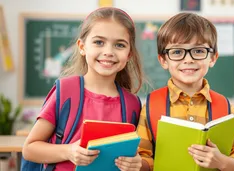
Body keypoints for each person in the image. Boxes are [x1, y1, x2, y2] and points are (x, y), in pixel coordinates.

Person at [22, 7, 144, 171]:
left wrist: (136, 163)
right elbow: (29, 149)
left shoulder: (132, 104)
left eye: (119, 45)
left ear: (129, 54)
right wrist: (68, 151)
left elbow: (137, 157)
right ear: (82, 46)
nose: (108, 52)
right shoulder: (65, 91)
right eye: (99, 42)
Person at [137, 13, 234, 171]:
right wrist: (137, 164)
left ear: (212, 58)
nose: (188, 59)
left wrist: (222, 162)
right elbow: (143, 156)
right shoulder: (150, 106)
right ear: (163, 60)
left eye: (198, 51)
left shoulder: (225, 107)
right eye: (177, 52)